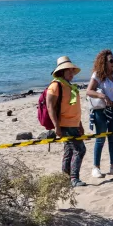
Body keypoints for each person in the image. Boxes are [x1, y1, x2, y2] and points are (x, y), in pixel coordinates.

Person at [47, 56, 87, 187]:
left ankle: (65, 178)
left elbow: (73, 107)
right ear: (61, 72)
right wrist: (56, 126)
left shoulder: (68, 85)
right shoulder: (55, 85)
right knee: (80, 150)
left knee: (69, 151)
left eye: (72, 70)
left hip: (73, 123)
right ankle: (74, 178)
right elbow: (50, 107)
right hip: (65, 123)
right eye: (68, 70)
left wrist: (79, 124)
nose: (71, 73)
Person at [86, 49, 113, 179]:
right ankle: (96, 167)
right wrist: (102, 96)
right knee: (100, 138)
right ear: (104, 62)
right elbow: (89, 91)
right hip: (101, 110)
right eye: (111, 61)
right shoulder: (98, 75)